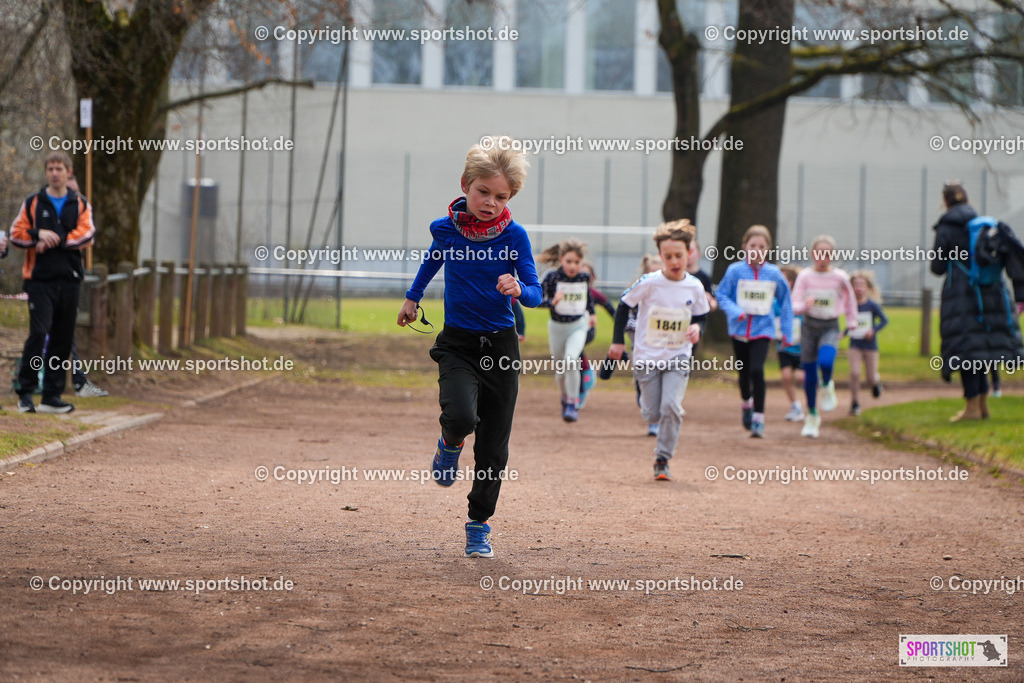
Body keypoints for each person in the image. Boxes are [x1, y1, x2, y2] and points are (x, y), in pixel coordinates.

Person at [397, 136, 540, 559]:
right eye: (483, 192)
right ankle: (450, 441)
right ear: (466, 184)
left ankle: (478, 524)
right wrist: (412, 297)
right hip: (458, 342)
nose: (490, 203)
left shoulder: (515, 237)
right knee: (460, 415)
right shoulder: (445, 229)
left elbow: (535, 292)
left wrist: (519, 289)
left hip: (501, 347)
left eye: (501, 196)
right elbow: (432, 259)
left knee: (494, 446)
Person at [608, 220, 710, 481]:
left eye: (679, 255)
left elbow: (701, 316)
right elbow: (622, 305)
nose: (674, 261)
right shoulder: (649, 282)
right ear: (661, 256)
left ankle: (662, 458)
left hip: (678, 356)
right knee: (652, 412)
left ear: (690, 253)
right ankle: (650, 411)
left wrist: (697, 328)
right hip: (647, 358)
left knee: (672, 407)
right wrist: (618, 340)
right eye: (668, 256)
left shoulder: (695, 286)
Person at [9, 151, 95, 414]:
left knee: (62, 338)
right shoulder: (34, 203)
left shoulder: (79, 204)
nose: (55, 173)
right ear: (46, 172)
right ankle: (25, 391)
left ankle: (51, 396)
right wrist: (38, 234)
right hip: (39, 281)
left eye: (60, 168)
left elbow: (87, 233)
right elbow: (16, 234)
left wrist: (56, 238)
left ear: (69, 172)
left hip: (69, 280)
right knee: (39, 333)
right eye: (51, 169)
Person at [930, 181, 1024, 420]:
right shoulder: (984, 224)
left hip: (962, 295)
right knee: (982, 349)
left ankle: (971, 408)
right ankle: (983, 406)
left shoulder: (947, 226)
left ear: (945, 201)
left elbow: (938, 268)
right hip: (991, 293)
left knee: (966, 350)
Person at [716, 225, 794, 437]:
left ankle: (759, 418)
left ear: (768, 249)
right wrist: (735, 311)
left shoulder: (774, 273)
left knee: (756, 371)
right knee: (743, 373)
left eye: (762, 246)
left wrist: (787, 331)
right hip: (739, 330)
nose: (757, 250)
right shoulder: (735, 271)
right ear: (744, 247)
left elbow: (786, 301)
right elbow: (722, 295)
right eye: (753, 245)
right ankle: (746, 404)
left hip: (763, 330)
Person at [790, 235, 858, 438]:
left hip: (830, 326)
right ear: (812, 254)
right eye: (819, 253)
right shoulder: (804, 276)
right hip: (809, 326)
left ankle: (827, 384)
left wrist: (852, 322)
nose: (823, 257)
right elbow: (794, 304)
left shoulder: (839, 277)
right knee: (809, 374)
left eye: (827, 254)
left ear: (833, 256)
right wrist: (804, 306)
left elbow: (850, 300)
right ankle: (812, 415)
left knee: (826, 362)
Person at [538, 239, 595, 422]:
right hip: (557, 328)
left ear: (582, 262)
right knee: (561, 372)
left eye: (577, 262)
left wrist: (591, 313)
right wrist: (551, 302)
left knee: (571, 360)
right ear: (561, 259)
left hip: (578, 326)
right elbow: (535, 300)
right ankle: (564, 397)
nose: (573, 266)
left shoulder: (584, 277)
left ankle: (573, 403)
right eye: (569, 261)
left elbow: (588, 298)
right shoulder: (552, 277)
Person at [626, 253, 663, 436]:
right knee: (644, 379)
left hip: (664, 346)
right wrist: (642, 326)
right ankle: (646, 402)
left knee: (663, 379)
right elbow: (626, 316)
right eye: (652, 273)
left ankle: (655, 422)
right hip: (641, 345)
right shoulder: (639, 290)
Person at [847, 270, 888, 416]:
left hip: (870, 346)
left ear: (867, 287)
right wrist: (843, 333)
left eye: (862, 284)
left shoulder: (872, 306)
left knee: (870, 377)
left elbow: (884, 320)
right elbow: (851, 323)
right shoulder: (849, 305)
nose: (858, 288)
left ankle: (876, 384)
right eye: (855, 284)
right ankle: (855, 403)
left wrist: (873, 330)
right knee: (855, 373)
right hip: (855, 345)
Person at [577, 261, 615, 409]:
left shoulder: (594, 293)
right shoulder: (569, 289)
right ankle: (586, 371)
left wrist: (621, 327)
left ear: (592, 277)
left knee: (575, 350)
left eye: (586, 274)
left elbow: (611, 309)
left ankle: (582, 387)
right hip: (569, 330)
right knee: (571, 357)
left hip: (588, 331)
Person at [778, 266, 805, 422]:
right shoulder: (776, 300)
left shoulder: (801, 299)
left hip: (801, 347)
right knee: (786, 376)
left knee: (801, 378)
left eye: (784, 280)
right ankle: (795, 405)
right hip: (784, 346)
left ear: (792, 282)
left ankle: (811, 402)